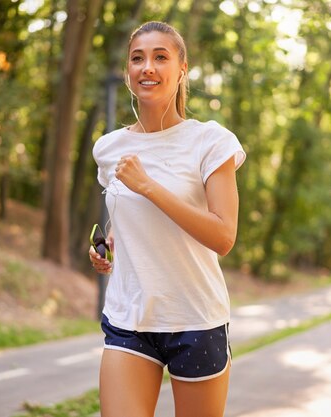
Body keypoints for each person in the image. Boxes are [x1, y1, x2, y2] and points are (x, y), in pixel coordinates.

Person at [89, 21, 246, 417]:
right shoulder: (109, 149)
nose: (148, 67)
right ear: (127, 72)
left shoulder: (211, 141)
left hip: (195, 317)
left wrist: (149, 186)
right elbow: (123, 221)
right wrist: (108, 245)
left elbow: (223, 236)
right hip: (130, 317)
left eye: (161, 57)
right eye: (137, 58)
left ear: (182, 70)